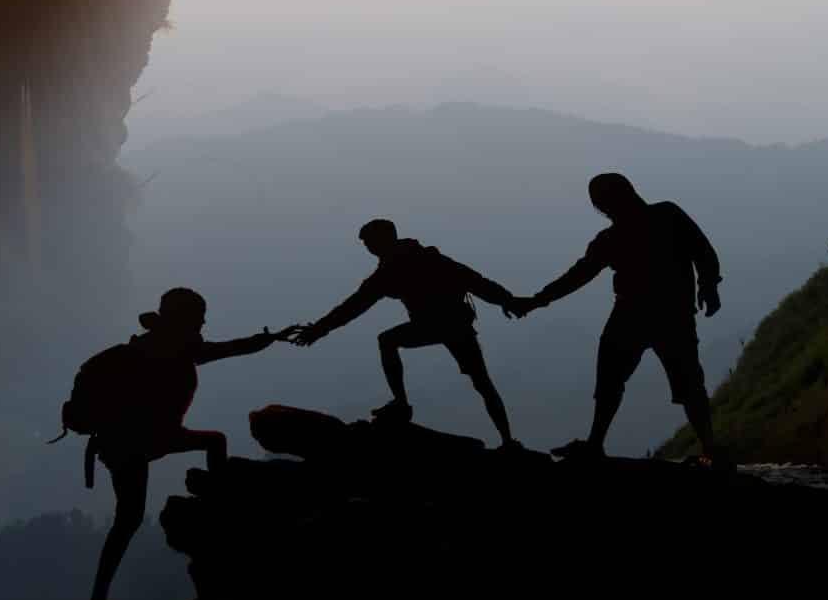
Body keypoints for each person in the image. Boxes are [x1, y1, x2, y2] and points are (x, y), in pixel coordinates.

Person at [84, 288, 293, 600]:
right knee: (214, 443)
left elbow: (219, 350)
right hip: (150, 437)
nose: (204, 321)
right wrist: (266, 340)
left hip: (120, 442)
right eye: (199, 314)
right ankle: (223, 512)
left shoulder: (147, 343)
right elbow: (226, 350)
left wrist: (265, 340)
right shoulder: (177, 346)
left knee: (127, 520)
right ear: (184, 316)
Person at [513, 173, 729, 467]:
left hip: (634, 315)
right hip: (669, 313)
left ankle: (596, 444)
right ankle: (709, 449)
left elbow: (578, 276)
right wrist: (708, 285)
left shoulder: (613, 238)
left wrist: (536, 301)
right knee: (684, 382)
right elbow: (703, 252)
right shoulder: (666, 215)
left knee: (615, 381)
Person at [293, 219, 526, 447]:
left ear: (383, 239)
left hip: (442, 325)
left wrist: (318, 330)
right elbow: (475, 281)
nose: (367, 248)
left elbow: (352, 307)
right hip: (454, 325)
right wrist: (507, 300)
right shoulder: (421, 259)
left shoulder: (396, 269)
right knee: (482, 382)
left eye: (369, 242)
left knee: (388, 341)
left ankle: (402, 404)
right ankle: (507, 440)